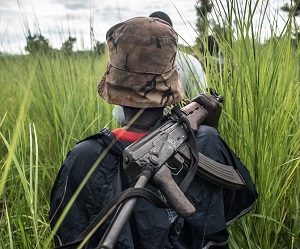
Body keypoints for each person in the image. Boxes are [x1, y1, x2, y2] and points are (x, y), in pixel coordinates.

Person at [49, 16, 258, 248]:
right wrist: (211, 130)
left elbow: (66, 233)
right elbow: (226, 208)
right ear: (171, 81)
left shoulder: (83, 157)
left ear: (114, 84)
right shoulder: (205, 140)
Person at [112, 11, 207, 125]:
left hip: (135, 136)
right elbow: (201, 105)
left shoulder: (132, 64)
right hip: (182, 133)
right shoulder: (192, 63)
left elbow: (120, 115)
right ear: (171, 33)